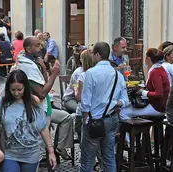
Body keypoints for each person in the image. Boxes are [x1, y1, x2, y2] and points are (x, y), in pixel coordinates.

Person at [0, 69, 56, 171]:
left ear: (25, 88)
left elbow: (43, 127)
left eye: (20, 89)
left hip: (31, 154)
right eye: (13, 90)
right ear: (8, 89)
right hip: (9, 154)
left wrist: (51, 151)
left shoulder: (34, 102)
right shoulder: (0, 103)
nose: (16, 93)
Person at [17, 36, 75, 160]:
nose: (41, 47)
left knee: (67, 118)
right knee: (45, 128)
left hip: (46, 106)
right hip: (37, 109)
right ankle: (46, 154)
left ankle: (60, 146)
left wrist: (43, 68)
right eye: (37, 45)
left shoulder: (35, 62)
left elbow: (44, 82)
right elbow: (42, 93)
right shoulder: (28, 66)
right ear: (28, 48)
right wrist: (54, 74)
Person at [80, 42, 129, 172]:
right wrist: (113, 102)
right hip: (111, 119)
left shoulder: (90, 73)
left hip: (94, 119)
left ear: (97, 55)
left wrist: (85, 120)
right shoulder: (118, 74)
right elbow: (125, 101)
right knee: (108, 157)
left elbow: (85, 102)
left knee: (87, 161)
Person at [122, 48, 170, 118]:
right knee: (127, 106)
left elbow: (159, 94)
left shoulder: (155, 72)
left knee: (123, 112)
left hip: (157, 107)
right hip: (160, 105)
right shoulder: (160, 68)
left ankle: (136, 128)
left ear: (148, 58)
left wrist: (142, 92)